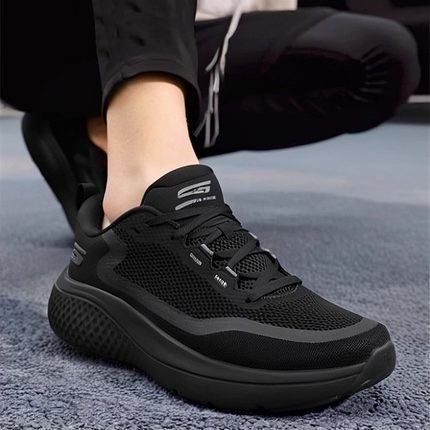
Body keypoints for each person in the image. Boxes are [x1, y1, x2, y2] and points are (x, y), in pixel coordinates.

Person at [1, 0, 419, 412]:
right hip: (49, 35)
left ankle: (99, 135)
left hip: (186, 32)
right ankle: (143, 186)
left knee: (377, 59)